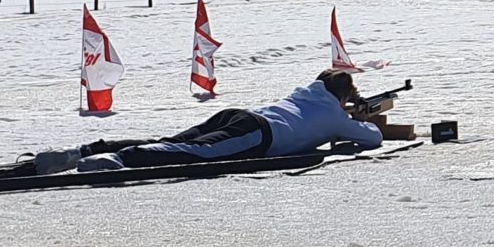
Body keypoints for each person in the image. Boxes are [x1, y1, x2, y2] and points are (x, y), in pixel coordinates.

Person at [72, 69, 395, 172]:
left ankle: (91, 149)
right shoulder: (334, 115)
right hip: (257, 134)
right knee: (193, 154)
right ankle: (118, 159)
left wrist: (348, 109)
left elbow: (327, 111)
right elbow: (372, 139)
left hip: (239, 115)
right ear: (343, 97)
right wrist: (360, 117)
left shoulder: (307, 95)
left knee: (173, 142)